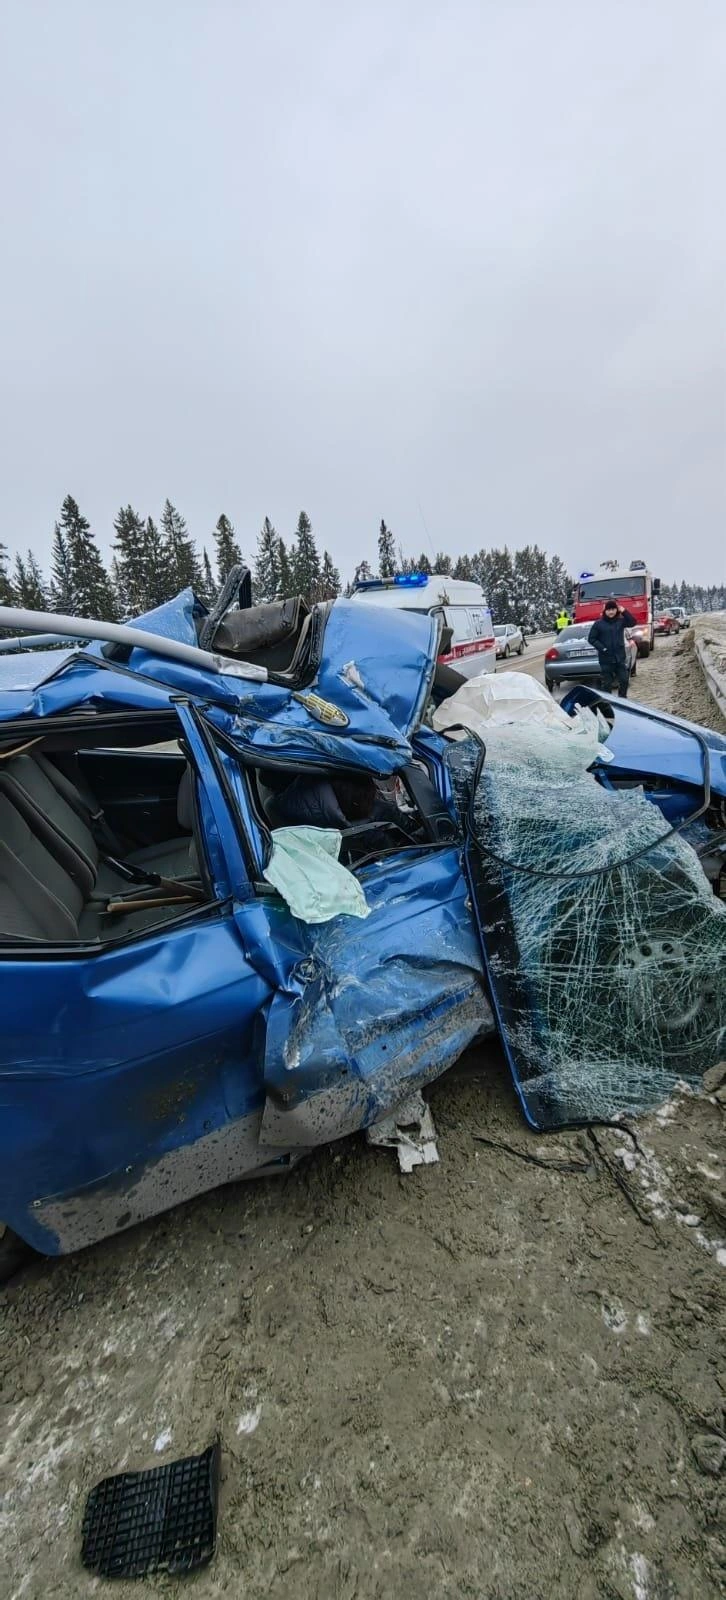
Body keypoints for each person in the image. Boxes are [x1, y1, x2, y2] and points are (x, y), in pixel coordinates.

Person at [588, 596, 636, 697]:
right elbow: (591, 639)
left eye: (613, 609)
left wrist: (624, 611)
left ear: (616, 610)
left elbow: (632, 622)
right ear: (605, 611)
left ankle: (622, 700)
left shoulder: (620, 621)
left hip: (619, 658)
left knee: (624, 680)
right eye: (608, 610)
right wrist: (602, 648)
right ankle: (608, 703)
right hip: (606, 659)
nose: (611, 612)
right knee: (607, 684)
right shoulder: (598, 624)